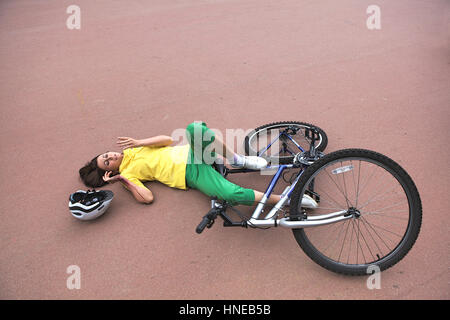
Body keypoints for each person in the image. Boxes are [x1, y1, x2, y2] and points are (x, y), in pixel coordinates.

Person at [79, 121, 314, 207]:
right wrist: (123, 180)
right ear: (109, 171)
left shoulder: (135, 148)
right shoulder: (127, 175)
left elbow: (168, 140)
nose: (110, 156)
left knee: (194, 128)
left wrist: (139, 141)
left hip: (194, 154)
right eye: (107, 161)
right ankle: (289, 200)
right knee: (228, 193)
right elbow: (147, 198)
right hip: (191, 175)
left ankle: (237, 159)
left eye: (107, 154)